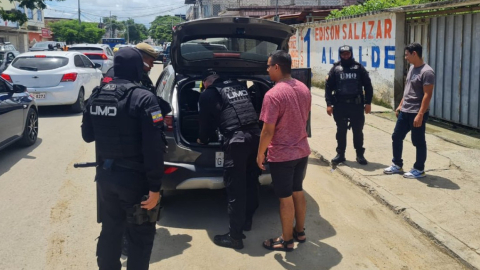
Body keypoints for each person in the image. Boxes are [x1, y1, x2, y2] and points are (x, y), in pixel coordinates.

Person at [81, 47, 166, 270]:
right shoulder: (144, 98)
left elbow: (87, 136)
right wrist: (155, 188)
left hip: (106, 180)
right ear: (138, 67)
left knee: (110, 231)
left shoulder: (97, 94)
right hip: (136, 182)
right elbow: (154, 148)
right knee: (140, 238)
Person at [197, 69, 261, 250]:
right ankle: (247, 221)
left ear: (206, 83)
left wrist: (203, 140)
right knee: (251, 180)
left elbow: (205, 125)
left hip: (236, 142)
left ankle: (234, 237)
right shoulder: (240, 87)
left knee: (236, 188)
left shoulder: (208, 94)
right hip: (256, 136)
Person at [258, 50, 311, 252]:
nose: (267, 69)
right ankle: (300, 231)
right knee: (298, 191)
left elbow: (268, 130)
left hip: (282, 155)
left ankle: (286, 240)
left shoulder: (273, 94)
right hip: (301, 151)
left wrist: (260, 153)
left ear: (277, 67)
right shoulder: (304, 88)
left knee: (285, 197)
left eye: (269, 66)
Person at [384, 43, 435, 178]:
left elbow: (427, 95)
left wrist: (420, 114)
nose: (405, 57)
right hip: (405, 111)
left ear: (414, 53)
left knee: (418, 141)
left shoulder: (427, 72)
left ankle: (419, 169)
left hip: (416, 113)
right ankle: (397, 165)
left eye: (407, 55)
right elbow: (408, 90)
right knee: (396, 136)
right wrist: (400, 105)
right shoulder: (412, 68)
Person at [325, 45, 373, 165]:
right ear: (340, 55)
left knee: (358, 131)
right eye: (343, 54)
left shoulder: (359, 68)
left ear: (351, 53)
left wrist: (368, 102)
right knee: (341, 131)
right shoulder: (335, 69)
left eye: (347, 54)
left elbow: (368, 86)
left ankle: (360, 154)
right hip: (340, 105)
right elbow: (328, 87)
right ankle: (340, 154)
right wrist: (329, 104)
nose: (345, 56)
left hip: (356, 106)